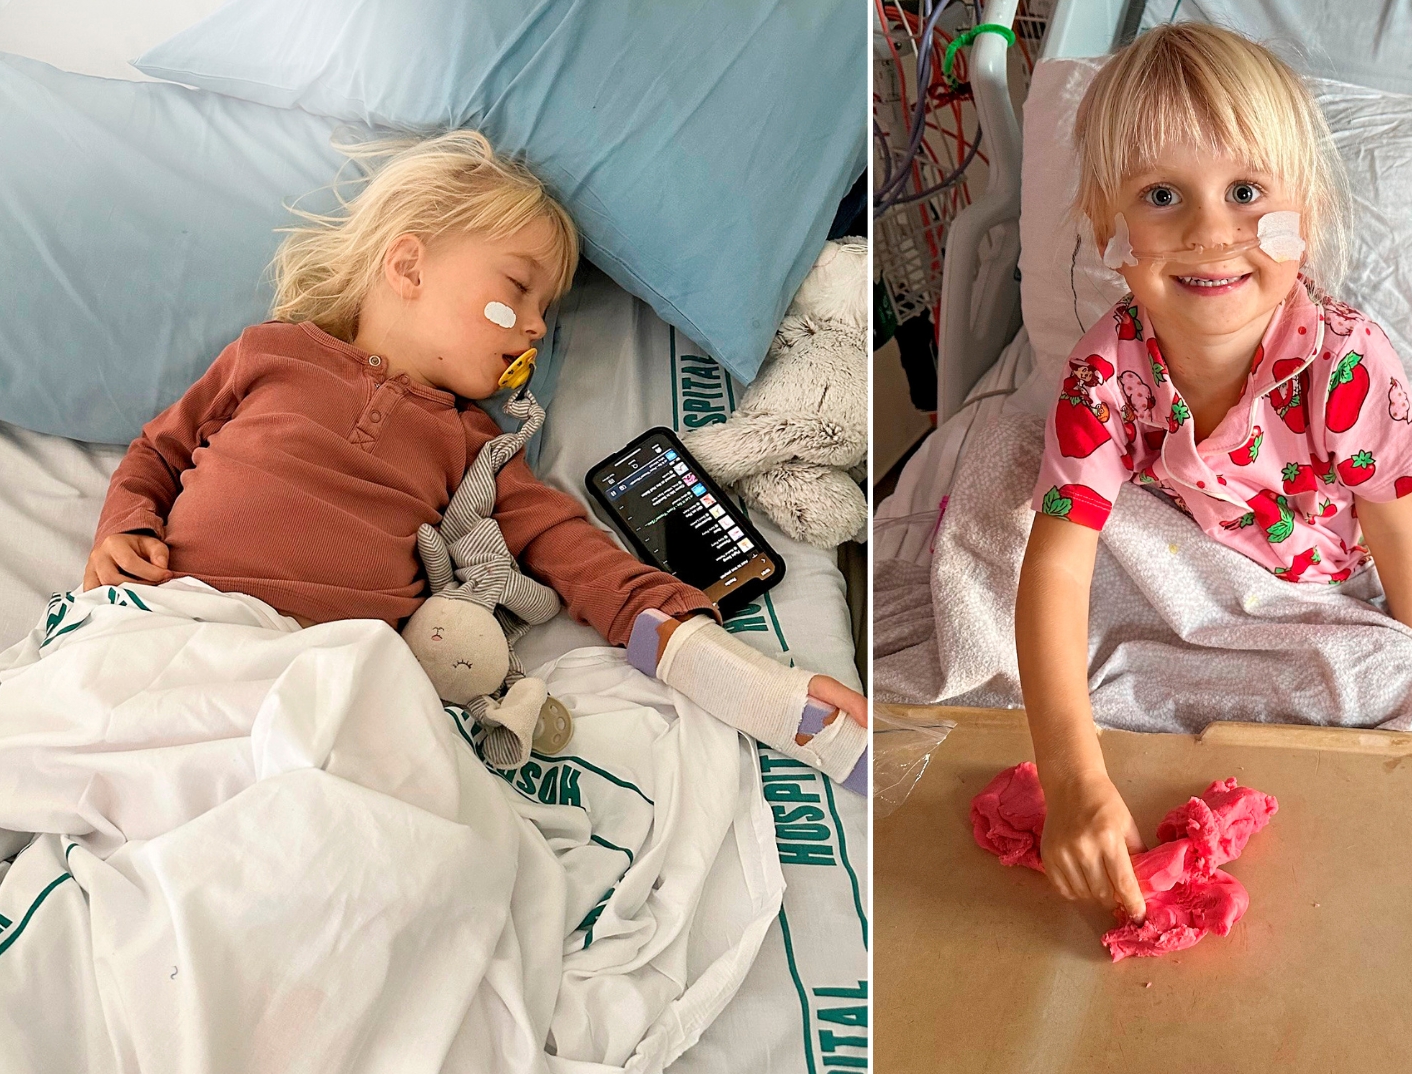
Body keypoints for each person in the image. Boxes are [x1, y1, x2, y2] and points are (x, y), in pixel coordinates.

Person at [83, 130, 864, 732]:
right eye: (519, 290)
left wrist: (764, 695)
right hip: (182, 626)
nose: (533, 331)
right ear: (409, 267)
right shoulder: (270, 354)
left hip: (329, 681)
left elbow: (580, 560)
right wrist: (121, 528)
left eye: (547, 316)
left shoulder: (473, 444)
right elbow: (159, 451)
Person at [1016, 24, 1412, 922]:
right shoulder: (1105, 367)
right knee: (1003, 511)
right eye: (1161, 195)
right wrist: (1073, 780)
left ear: (1305, 217)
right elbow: (1058, 561)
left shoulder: (1343, 358)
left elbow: (1394, 524)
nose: (1209, 231)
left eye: (1246, 192)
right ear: (1107, 227)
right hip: (1185, 560)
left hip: (1319, 586)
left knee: (1382, 682)